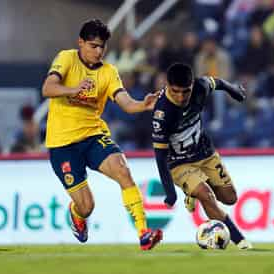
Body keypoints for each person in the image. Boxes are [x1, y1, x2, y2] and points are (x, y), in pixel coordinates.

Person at [42, 19, 162, 250]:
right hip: (62, 144)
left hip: (93, 135)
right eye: (93, 46)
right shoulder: (66, 58)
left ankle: (143, 233)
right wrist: (73, 90)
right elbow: (48, 88)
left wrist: (142, 105)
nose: (98, 51)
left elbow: (124, 102)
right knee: (87, 207)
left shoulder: (108, 72)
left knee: (122, 170)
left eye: (102, 47)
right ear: (81, 43)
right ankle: (76, 214)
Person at [151, 63, 252, 250]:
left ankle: (193, 193)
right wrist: (170, 192)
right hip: (178, 163)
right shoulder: (162, 113)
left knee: (230, 198)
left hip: (205, 152)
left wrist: (233, 90)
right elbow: (160, 156)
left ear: (192, 85)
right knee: (206, 195)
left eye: (185, 92)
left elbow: (217, 82)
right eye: (176, 92)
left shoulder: (200, 86)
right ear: (167, 85)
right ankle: (240, 241)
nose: (181, 97)